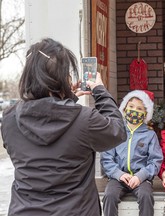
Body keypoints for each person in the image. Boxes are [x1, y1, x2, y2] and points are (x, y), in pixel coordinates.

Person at [1, 38, 127, 216]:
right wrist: (100, 90)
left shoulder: (9, 118)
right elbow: (117, 131)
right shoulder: (85, 119)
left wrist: (65, 101)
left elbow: (45, 118)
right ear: (61, 79)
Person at [100, 90, 163, 216]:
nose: (135, 110)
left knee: (146, 196)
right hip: (118, 178)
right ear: (124, 109)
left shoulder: (150, 135)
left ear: (145, 114)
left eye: (139, 108)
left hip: (141, 178)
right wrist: (118, 174)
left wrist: (140, 176)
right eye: (131, 106)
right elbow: (106, 158)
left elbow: (155, 161)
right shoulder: (116, 132)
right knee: (109, 196)